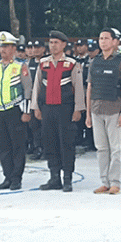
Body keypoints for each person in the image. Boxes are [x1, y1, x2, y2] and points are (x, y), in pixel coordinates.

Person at [32, 30, 85, 192]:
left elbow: (78, 88)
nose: (53, 45)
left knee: (66, 143)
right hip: (48, 108)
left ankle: (67, 178)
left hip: (66, 108)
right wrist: (35, 106)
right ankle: (54, 177)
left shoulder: (72, 64)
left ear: (63, 45)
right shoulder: (43, 63)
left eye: (56, 42)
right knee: (49, 142)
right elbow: (37, 86)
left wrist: (78, 109)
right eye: (51, 42)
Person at [86, 28, 121, 194]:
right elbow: (90, 88)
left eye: (106, 38)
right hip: (96, 109)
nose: (103, 41)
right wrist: (88, 114)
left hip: (114, 109)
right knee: (101, 148)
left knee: (115, 148)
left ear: (114, 41)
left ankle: (115, 182)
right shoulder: (95, 61)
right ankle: (104, 181)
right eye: (100, 38)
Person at [0, 32, 33, 190]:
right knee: (2, 145)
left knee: (17, 145)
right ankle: (7, 176)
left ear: (14, 48)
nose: (3, 50)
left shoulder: (20, 66)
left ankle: (16, 178)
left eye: (6, 46)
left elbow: (28, 89)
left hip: (15, 109)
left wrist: (27, 111)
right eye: (1, 47)